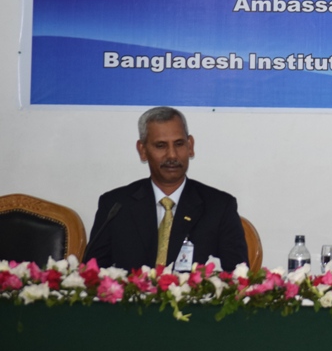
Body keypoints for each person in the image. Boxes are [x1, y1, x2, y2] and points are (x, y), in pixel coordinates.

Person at [83, 106, 248, 271]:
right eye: (161, 146)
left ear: (190, 146)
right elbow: (91, 275)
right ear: (142, 150)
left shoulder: (219, 207)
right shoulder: (115, 206)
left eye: (179, 144)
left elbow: (236, 276)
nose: (172, 155)